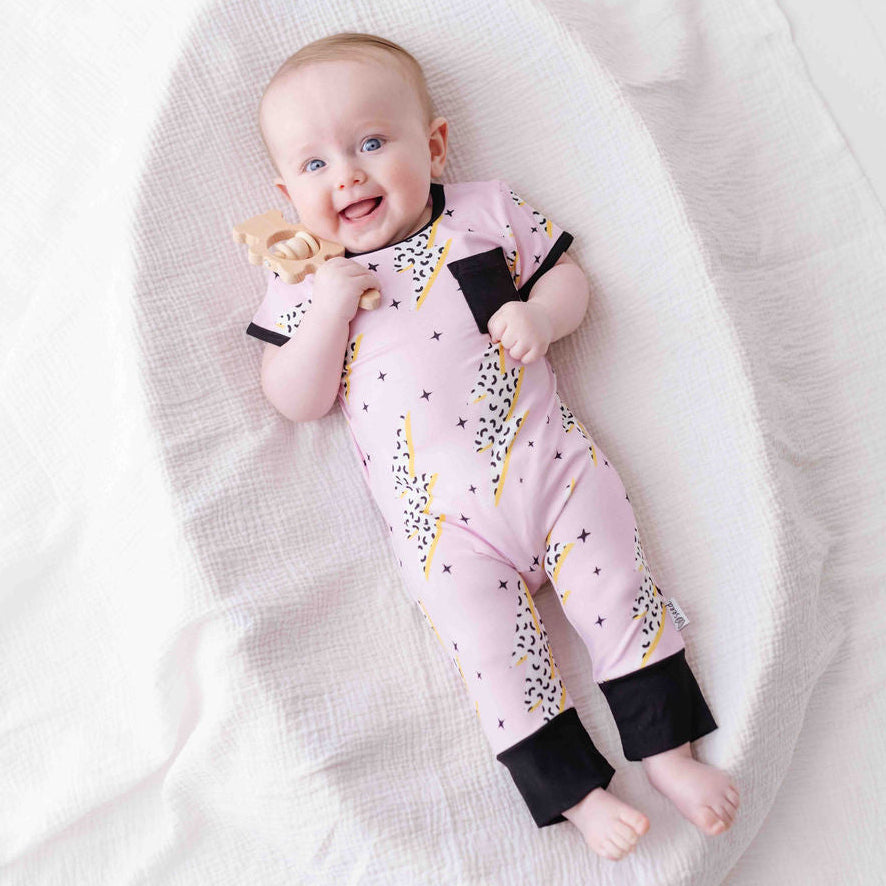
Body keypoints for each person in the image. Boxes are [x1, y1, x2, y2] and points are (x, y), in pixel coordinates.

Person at [246, 31, 739, 861]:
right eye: (316, 165)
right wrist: (329, 310)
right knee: (494, 661)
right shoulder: (303, 280)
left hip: (550, 470)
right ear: (287, 191)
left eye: (372, 142)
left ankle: (669, 753)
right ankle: (578, 794)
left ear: (433, 145)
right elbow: (292, 397)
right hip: (442, 529)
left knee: (621, 593)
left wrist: (543, 315)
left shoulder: (485, 211)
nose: (350, 175)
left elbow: (568, 279)